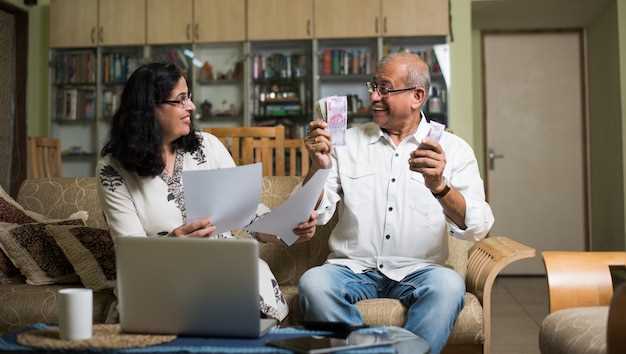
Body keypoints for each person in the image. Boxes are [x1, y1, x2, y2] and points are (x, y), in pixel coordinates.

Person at [299, 52, 494, 354]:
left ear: (417, 96)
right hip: (353, 268)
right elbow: (317, 213)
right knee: (314, 284)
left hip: (421, 269)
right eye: (373, 86)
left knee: (449, 287)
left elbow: (478, 225)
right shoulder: (346, 143)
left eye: (384, 89)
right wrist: (318, 165)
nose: (373, 96)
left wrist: (440, 187)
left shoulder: (452, 150)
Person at [96, 62, 317, 321]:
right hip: (162, 281)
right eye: (180, 100)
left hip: (227, 272)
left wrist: (286, 228)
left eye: (188, 97)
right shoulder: (113, 170)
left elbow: (247, 215)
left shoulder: (207, 147)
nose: (191, 106)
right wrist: (175, 245)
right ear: (149, 109)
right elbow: (129, 253)